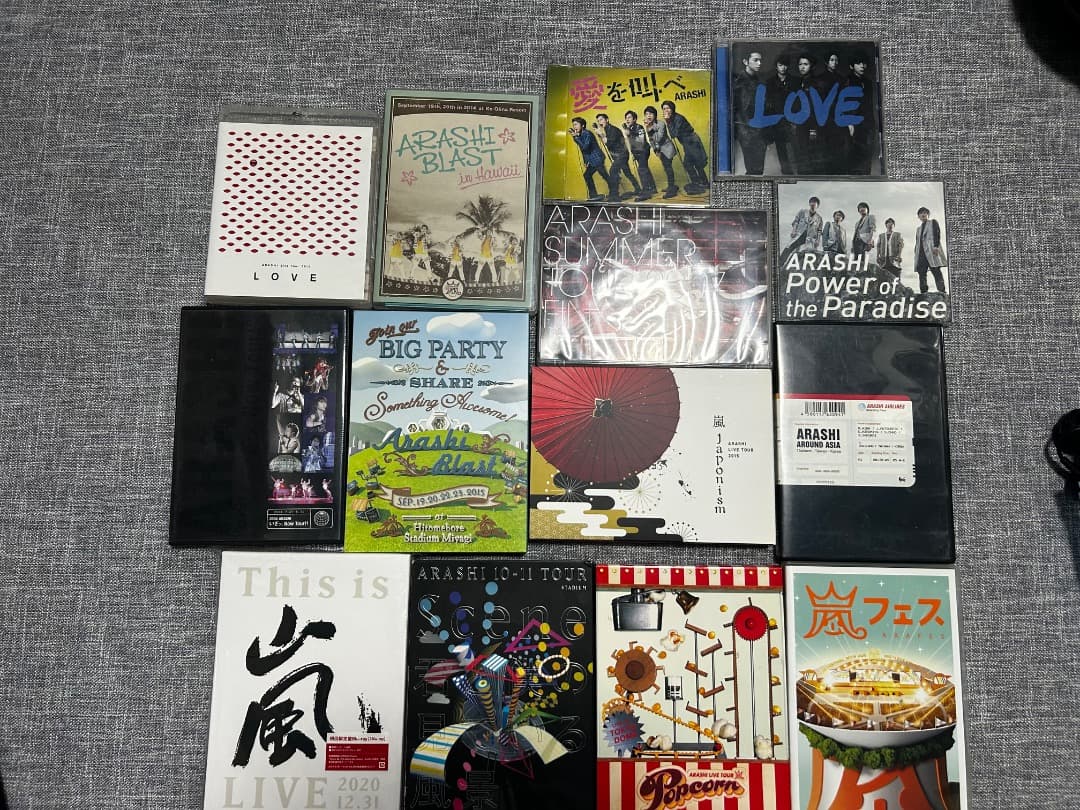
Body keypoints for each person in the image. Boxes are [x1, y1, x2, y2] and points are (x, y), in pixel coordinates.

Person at [660, 100, 709, 193]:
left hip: (692, 141)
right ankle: (701, 183)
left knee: (692, 163)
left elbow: (673, 134)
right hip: (688, 143)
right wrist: (668, 121)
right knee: (692, 163)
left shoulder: (678, 118)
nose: (666, 110)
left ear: (672, 108)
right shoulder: (672, 118)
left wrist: (667, 121)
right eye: (664, 109)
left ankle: (699, 183)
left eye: (668, 108)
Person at [733, 50, 767, 175]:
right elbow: (734, 107)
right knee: (751, 166)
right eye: (755, 60)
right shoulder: (737, 82)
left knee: (759, 167)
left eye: (760, 60)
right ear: (745, 62)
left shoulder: (761, 81)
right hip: (745, 127)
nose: (759, 63)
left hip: (759, 127)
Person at [594, 113, 641, 201]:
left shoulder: (613, 130)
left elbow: (609, 144)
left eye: (601, 119)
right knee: (627, 172)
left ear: (607, 120)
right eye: (598, 121)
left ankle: (614, 195)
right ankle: (638, 189)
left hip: (622, 155)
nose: (600, 122)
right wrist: (601, 135)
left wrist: (602, 135)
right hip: (619, 155)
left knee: (613, 171)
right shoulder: (607, 129)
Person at [764, 54, 796, 175]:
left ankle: (798, 174)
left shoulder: (795, 81)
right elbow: (768, 105)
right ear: (776, 66)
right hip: (777, 121)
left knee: (795, 148)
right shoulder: (770, 82)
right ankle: (786, 173)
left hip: (792, 120)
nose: (783, 68)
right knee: (781, 149)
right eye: (780, 65)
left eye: (785, 65)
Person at [793, 54, 825, 174]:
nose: (802, 67)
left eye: (805, 64)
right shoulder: (797, 82)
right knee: (801, 154)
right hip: (800, 124)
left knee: (813, 154)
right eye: (800, 64)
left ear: (812, 66)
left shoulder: (817, 83)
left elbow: (817, 107)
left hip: (812, 125)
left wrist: (813, 128)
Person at [846, 53, 875, 174]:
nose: (862, 66)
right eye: (858, 63)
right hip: (853, 122)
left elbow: (869, 104)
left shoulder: (868, 82)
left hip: (867, 122)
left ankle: (865, 175)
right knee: (854, 152)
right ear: (851, 66)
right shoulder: (847, 81)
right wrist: (849, 123)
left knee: (867, 151)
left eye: (864, 63)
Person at [570, 116, 610, 201]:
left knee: (604, 175)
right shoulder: (580, 135)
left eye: (576, 124)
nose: (574, 127)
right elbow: (583, 151)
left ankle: (614, 193)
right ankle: (594, 196)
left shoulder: (587, 133)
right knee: (589, 175)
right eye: (573, 125)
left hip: (597, 158)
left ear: (582, 125)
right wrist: (586, 161)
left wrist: (576, 138)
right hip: (592, 160)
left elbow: (585, 147)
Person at [779, 196, 824, 269]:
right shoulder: (802, 212)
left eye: (815, 203)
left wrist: (818, 240)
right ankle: (780, 265)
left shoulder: (819, 218)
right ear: (809, 204)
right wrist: (794, 231)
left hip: (809, 239)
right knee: (789, 248)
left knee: (804, 254)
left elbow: (819, 230)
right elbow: (796, 221)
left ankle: (796, 269)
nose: (813, 204)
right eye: (811, 202)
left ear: (817, 205)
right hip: (799, 235)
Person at [644, 106, 678, 198]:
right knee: (666, 168)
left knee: (668, 168)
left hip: (667, 149)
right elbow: (651, 140)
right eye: (646, 114)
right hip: (659, 150)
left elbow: (658, 138)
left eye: (650, 114)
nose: (648, 116)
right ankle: (671, 186)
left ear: (655, 115)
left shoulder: (661, 124)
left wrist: (650, 129)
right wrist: (655, 150)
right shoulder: (648, 126)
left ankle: (671, 189)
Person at [622, 111, 657, 199]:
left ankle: (646, 191)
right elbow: (630, 142)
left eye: (629, 117)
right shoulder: (628, 129)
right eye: (626, 118)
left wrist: (630, 134)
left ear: (634, 119)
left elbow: (641, 142)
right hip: (636, 152)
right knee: (644, 168)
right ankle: (653, 188)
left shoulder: (639, 127)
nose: (627, 119)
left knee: (641, 169)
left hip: (643, 150)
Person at [914, 207, 947, 294]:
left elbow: (937, 234)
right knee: (921, 273)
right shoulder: (918, 229)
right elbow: (917, 242)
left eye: (925, 213)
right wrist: (915, 253)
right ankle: (923, 293)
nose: (923, 214)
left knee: (936, 271)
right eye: (921, 213)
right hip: (920, 254)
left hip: (931, 251)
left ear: (928, 215)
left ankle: (942, 291)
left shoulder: (933, 222)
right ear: (918, 216)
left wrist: (936, 246)